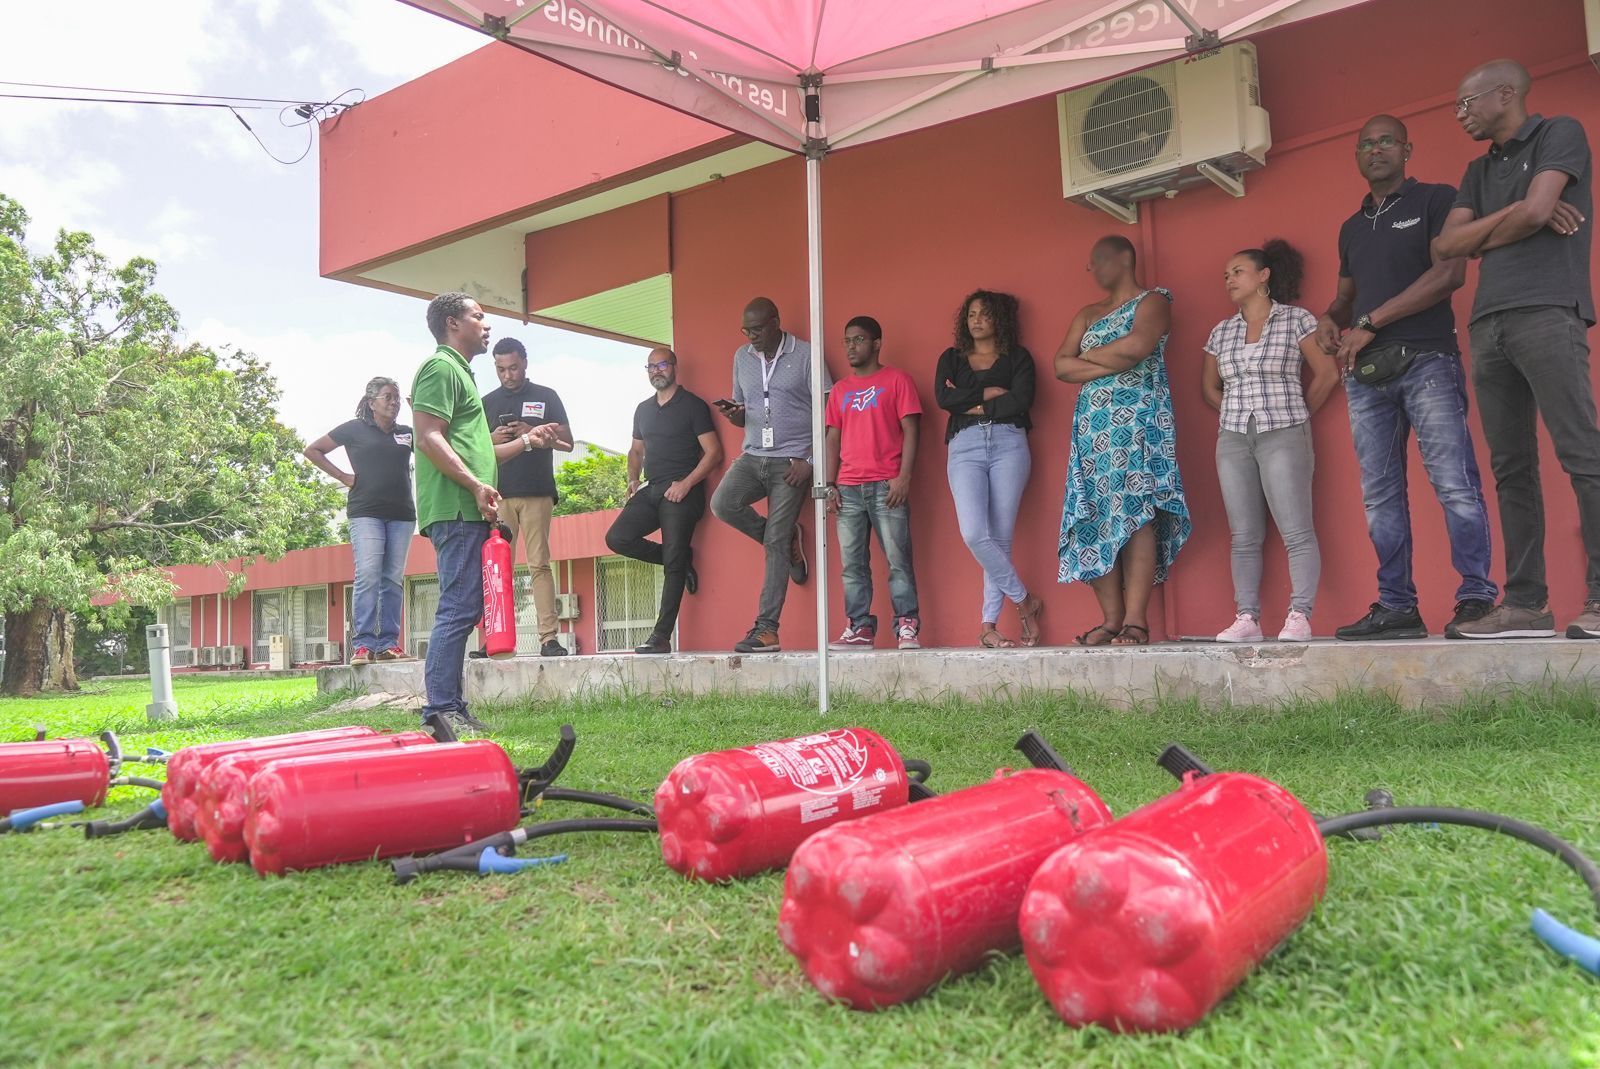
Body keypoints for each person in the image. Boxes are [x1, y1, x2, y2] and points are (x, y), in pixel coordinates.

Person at [1433, 59, 1599, 640]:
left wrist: (1514, 217)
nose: (1461, 113)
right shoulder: (1478, 170)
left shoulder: (1560, 133)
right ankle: (1527, 605)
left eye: (1466, 102)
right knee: (1511, 470)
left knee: (1582, 454)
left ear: (1506, 94)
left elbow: (1536, 211)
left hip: (1549, 311)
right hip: (1489, 325)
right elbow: (1447, 244)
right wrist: (1518, 212)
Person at [1314, 115, 1497, 642]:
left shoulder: (1437, 200)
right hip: (1366, 374)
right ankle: (1397, 607)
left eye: (1386, 141)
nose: (1375, 149)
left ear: (1406, 149)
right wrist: (1332, 317)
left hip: (1426, 361)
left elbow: (1449, 274)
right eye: (1365, 143)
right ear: (1357, 155)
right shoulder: (1352, 227)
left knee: (1454, 484)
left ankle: (1477, 600)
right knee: (1380, 496)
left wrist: (1370, 323)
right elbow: (1347, 296)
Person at [411, 293, 563, 734]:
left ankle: (451, 706)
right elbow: (428, 436)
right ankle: (439, 712)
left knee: (466, 605)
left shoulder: (460, 373)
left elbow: (482, 453)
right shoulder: (440, 368)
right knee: (457, 607)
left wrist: (530, 442)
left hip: (469, 506)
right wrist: (475, 485)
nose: (487, 324)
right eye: (479, 316)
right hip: (456, 506)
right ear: (453, 323)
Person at [1054, 235, 1190, 647]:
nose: (1091, 270)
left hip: (1139, 427)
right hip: (1093, 429)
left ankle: (1136, 621)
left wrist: (1090, 356)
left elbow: (1137, 348)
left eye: (1096, 261)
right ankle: (1111, 619)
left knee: (1137, 512)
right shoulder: (1087, 312)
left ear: (1122, 260)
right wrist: (1112, 358)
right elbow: (1060, 365)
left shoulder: (1153, 302)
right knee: (1095, 514)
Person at [1202, 240, 1341, 642]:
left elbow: (1327, 375)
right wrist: (1231, 416)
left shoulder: (1296, 320)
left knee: (1296, 529)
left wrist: (1296, 416)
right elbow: (1209, 388)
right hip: (1232, 439)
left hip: (1284, 431)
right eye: (1226, 274)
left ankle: (1300, 615)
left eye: (1237, 271)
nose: (1229, 279)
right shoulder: (1221, 331)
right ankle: (1247, 618)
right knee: (1243, 534)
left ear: (1264, 276)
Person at [710, 297, 828, 653]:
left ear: (776, 323)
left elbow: (830, 412)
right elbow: (744, 409)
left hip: (792, 463)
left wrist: (809, 460)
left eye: (757, 329)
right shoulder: (741, 357)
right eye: (746, 330)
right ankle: (786, 541)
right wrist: (736, 415)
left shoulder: (807, 355)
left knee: (774, 542)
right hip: (753, 456)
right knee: (722, 504)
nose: (751, 337)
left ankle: (766, 629)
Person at [934, 290, 1045, 648]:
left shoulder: (1018, 358)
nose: (976, 320)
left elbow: (1022, 399)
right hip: (964, 446)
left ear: (999, 319)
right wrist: (988, 395)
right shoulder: (951, 359)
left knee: (1000, 537)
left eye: (984, 314)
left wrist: (973, 405)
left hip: (1009, 444)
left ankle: (988, 626)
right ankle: (1025, 602)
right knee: (973, 533)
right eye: (971, 314)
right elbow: (943, 399)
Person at [605, 347, 723, 655]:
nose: (657, 371)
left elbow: (714, 452)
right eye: (650, 367)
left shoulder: (693, 406)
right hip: (651, 489)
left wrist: (685, 484)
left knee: (673, 558)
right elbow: (635, 451)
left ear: (674, 367)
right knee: (617, 538)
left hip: (683, 491)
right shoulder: (643, 409)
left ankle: (661, 635)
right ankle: (680, 559)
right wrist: (632, 480)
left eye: (662, 365)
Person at [823, 316, 923, 651]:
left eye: (859, 339)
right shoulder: (839, 391)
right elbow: (832, 439)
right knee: (852, 565)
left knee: (898, 560)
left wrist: (904, 476)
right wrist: (828, 484)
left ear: (877, 343)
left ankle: (906, 625)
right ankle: (860, 628)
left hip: (886, 486)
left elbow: (911, 429)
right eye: (847, 340)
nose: (851, 346)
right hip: (847, 489)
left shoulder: (898, 380)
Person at [303, 377, 416, 666]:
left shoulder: (406, 434)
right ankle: (364, 644)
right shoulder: (354, 429)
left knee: (392, 579)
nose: (393, 403)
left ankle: (388, 644)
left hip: (402, 515)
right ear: (371, 402)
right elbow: (312, 450)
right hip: (366, 513)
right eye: (387, 397)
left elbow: (434, 447)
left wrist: (419, 412)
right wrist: (343, 476)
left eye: (396, 398)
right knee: (368, 573)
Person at [481, 337, 574, 657]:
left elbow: (568, 441)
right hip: (499, 495)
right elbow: (473, 449)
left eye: (514, 367)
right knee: (497, 569)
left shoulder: (545, 396)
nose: (508, 374)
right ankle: (493, 639)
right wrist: (492, 438)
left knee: (539, 565)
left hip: (537, 492)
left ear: (525, 363)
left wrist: (530, 429)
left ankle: (549, 638)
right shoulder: (486, 401)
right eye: (501, 369)